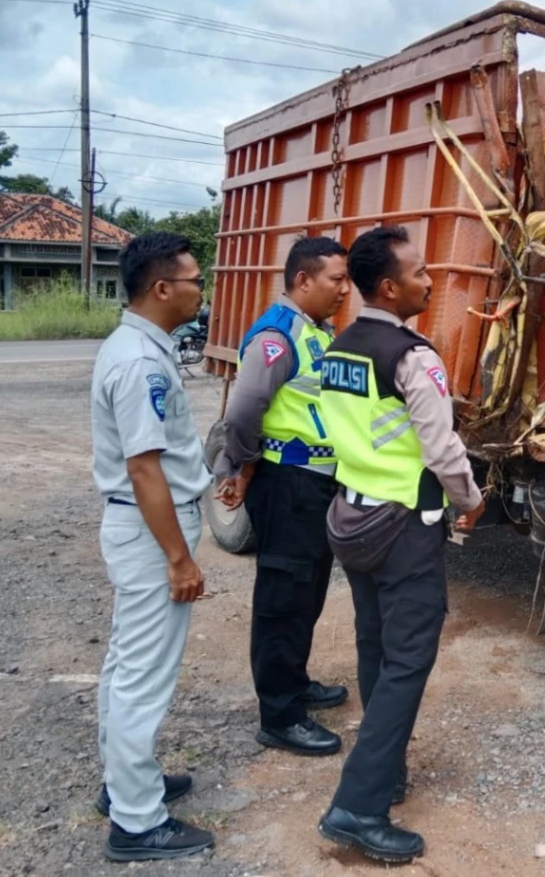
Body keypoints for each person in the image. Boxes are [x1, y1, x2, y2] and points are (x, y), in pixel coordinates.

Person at [314, 226, 484, 864]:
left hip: (352, 520)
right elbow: (442, 450)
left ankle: (383, 772)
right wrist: (470, 499)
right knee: (408, 662)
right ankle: (358, 807)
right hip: (404, 527)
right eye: (418, 272)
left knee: (376, 647)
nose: (430, 280)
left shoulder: (341, 347)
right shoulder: (413, 357)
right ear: (389, 286)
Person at [89, 232, 214, 862]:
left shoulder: (140, 347)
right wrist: (179, 557)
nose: (201, 289)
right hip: (148, 530)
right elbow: (145, 470)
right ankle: (137, 822)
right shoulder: (140, 362)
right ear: (162, 288)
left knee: (124, 663)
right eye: (194, 279)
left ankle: (123, 785)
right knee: (143, 675)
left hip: (137, 527)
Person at [214, 236, 352, 756]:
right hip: (285, 481)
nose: (345, 289)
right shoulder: (277, 335)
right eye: (336, 279)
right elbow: (244, 410)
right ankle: (279, 715)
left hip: (314, 484)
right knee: (282, 597)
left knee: (307, 591)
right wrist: (244, 466)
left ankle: (295, 682)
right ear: (303, 280)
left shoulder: (314, 332)